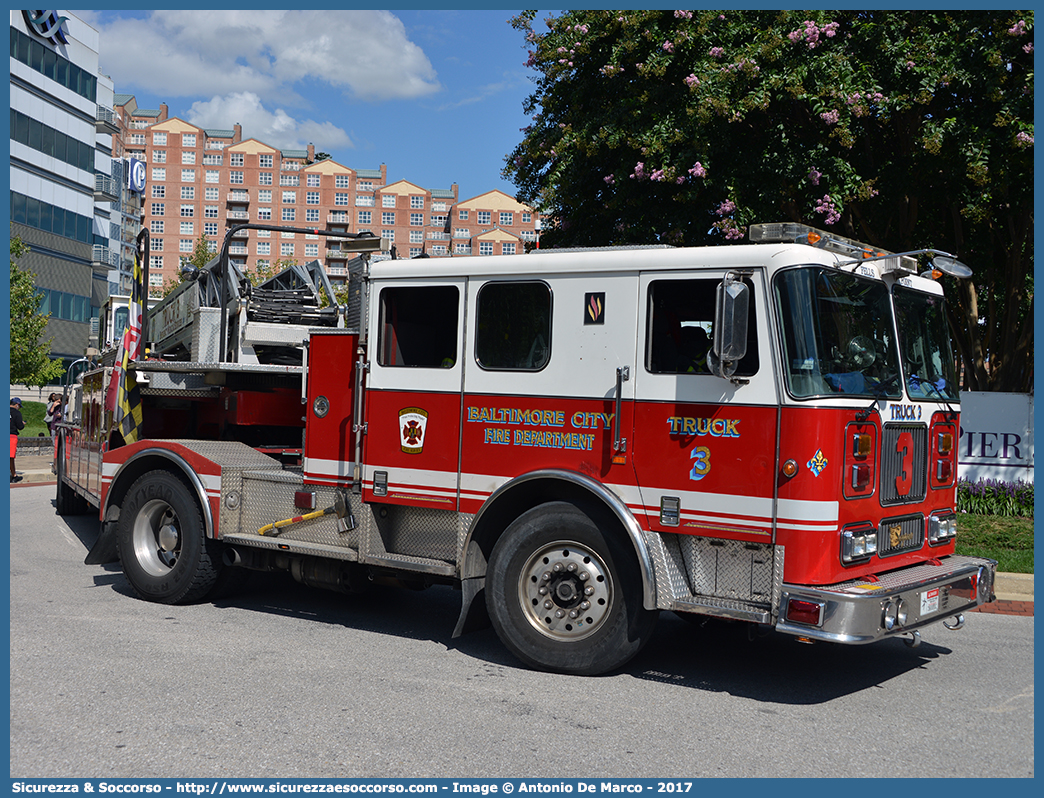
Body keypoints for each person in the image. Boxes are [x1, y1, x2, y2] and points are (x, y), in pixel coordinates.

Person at [10, 397, 25, 483]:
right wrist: (22, 423)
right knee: (10, 457)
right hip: (11, 436)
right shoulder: (17, 413)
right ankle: (14, 475)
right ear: (17, 405)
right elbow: (20, 427)